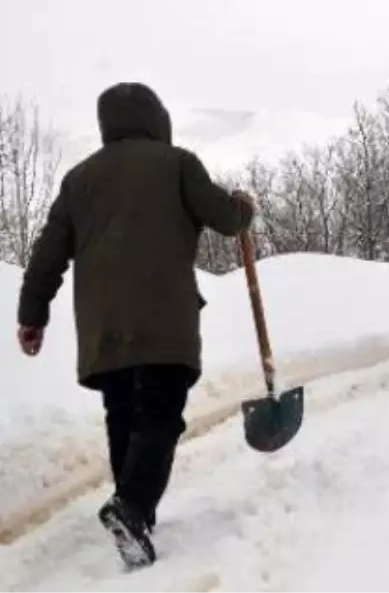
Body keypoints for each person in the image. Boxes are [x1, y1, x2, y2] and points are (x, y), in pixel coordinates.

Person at [16, 82, 255, 569]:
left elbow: (47, 255)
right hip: (164, 317)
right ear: (156, 118)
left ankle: (133, 511)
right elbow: (227, 219)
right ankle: (133, 507)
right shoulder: (177, 163)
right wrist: (244, 205)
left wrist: (31, 314)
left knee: (123, 413)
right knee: (161, 413)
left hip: (103, 327)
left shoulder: (78, 179)